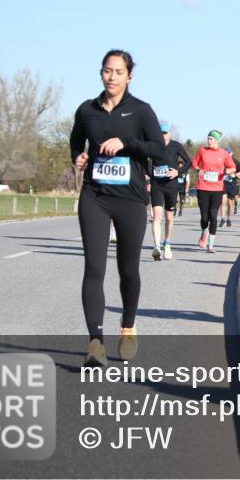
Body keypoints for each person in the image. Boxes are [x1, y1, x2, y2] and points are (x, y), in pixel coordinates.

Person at [70, 49, 165, 367]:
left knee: (128, 269)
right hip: (94, 196)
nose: (112, 77)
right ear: (101, 73)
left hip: (130, 198)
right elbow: (76, 141)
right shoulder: (87, 110)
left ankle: (127, 327)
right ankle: (95, 343)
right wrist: (79, 158)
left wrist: (127, 143)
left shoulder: (141, 111)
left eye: (118, 72)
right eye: (107, 71)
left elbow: (159, 151)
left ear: (129, 76)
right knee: (94, 268)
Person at [149, 122, 192, 260]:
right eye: (160, 133)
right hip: (157, 185)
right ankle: (156, 247)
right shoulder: (153, 145)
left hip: (171, 186)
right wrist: (150, 174)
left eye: (165, 133)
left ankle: (167, 243)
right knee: (156, 217)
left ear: (169, 134)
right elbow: (146, 161)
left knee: (169, 218)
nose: (163, 136)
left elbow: (188, 162)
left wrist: (178, 172)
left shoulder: (176, 146)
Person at [191, 131, 236, 253]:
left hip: (217, 188)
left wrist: (228, 171)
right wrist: (199, 169)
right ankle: (203, 232)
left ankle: (210, 245)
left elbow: (233, 167)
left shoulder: (224, 154)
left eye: (211, 139)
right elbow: (194, 163)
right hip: (203, 187)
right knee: (204, 217)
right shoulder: (202, 151)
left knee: (213, 215)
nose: (209, 141)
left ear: (217, 140)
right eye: (208, 138)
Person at [220, 147, 240, 227]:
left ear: (232, 153)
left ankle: (229, 219)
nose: (227, 154)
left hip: (232, 184)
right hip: (223, 183)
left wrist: (235, 175)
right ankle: (223, 218)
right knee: (223, 202)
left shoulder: (236, 162)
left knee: (230, 204)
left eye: (228, 153)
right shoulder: (221, 161)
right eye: (226, 153)